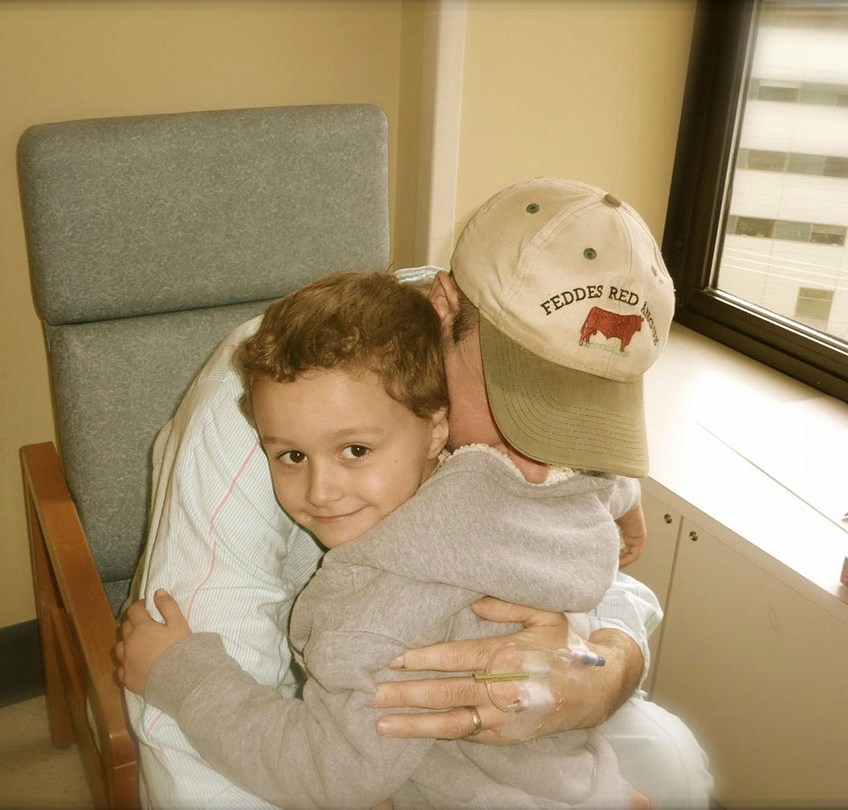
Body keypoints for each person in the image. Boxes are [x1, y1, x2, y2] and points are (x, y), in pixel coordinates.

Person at [121, 178, 711, 808]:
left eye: (580, 419)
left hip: (546, 763)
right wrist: (183, 674)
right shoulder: (270, 400)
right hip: (418, 751)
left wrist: (608, 671)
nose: (537, 463)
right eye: (526, 404)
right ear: (444, 307)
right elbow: (199, 723)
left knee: (680, 763)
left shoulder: (524, 476)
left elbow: (591, 509)